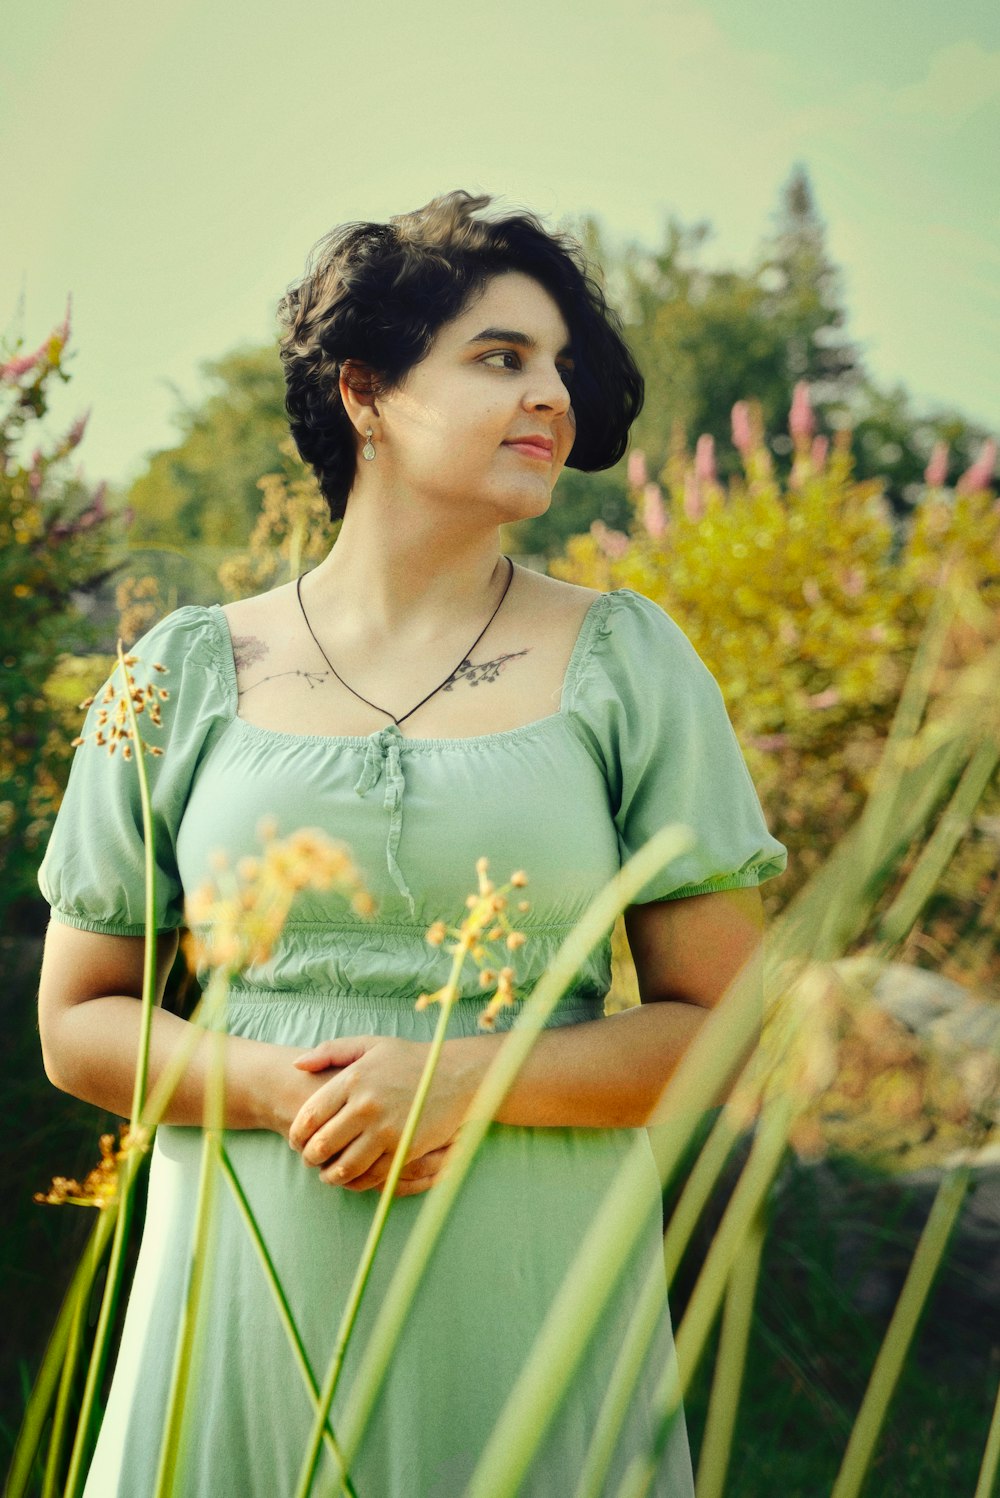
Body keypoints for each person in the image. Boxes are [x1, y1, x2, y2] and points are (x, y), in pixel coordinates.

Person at [36, 189, 788, 1497]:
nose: (551, 393)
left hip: (536, 1294)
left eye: (561, 364)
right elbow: (78, 1020)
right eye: (501, 357)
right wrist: (282, 1090)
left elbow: (728, 1024)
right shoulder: (178, 674)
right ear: (365, 391)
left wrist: (462, 1082)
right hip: (239, 1286)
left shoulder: (632, 665)